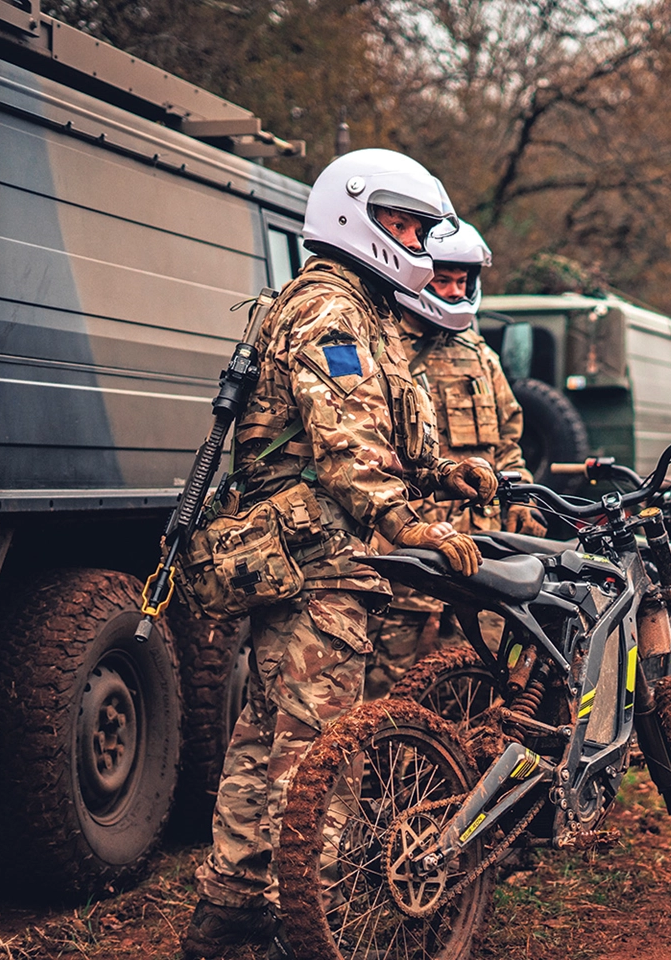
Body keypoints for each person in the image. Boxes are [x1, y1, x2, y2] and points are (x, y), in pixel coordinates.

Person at [181, 149, 499, 959]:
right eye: (403, 224)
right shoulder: (329, 308)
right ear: (357, 216)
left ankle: (228, 914)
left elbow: (375, 428)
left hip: (322, 558)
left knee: (269, 735)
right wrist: (406, 520)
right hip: (319, 561)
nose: (417, 242)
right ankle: (303, 923)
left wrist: (441, 471)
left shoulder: (358, 306)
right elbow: (346, 444)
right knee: (317, 755)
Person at [364, 220, 546, 698]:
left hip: (482, 553)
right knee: (389, 683)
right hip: (413, 551)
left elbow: (507, 439)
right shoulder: (386, 348)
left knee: (480, 678)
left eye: (462, 282)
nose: (453, 290)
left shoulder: (480, 355)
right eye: (442, 280)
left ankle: (465, 767)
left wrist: (521, 496)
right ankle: (384, 772)